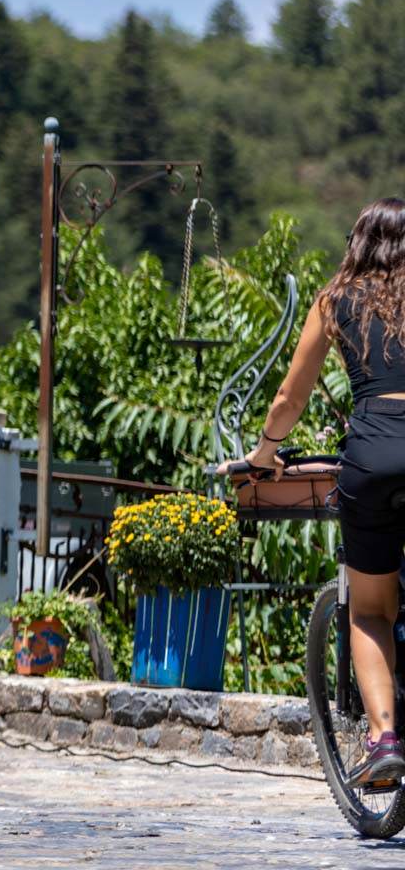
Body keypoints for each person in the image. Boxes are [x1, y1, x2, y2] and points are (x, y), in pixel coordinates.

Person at [244, 197, 405, 789]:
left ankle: (384, 740)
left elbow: (290, 397)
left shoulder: (335, 299)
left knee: (368, 611)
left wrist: (265, 454)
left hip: (372, 456)